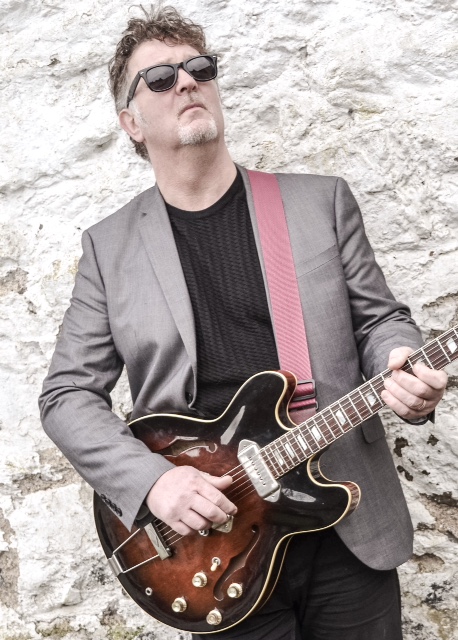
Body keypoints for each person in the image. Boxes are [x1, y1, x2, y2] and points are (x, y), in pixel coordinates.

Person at [39, 6, 448, 639]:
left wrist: (400, 361)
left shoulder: (319, 202)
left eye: (200, 68)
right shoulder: (108, 249)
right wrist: (154, 484)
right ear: (131, 123)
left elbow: (380, 322)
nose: (186, 82)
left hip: (347, 516)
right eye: (160, 77)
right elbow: (66, 396)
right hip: (212, 547)